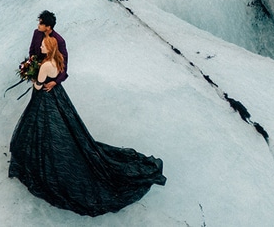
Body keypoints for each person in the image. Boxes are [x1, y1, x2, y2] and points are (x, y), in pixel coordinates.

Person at [9, 34, 166, 215]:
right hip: (57, 96)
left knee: (40, 126)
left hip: (44, 100)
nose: (41, 47)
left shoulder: (45, 65)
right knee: (62, 125)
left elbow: (37, 86)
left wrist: (30, 74)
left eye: (44, 45)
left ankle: (36, 158)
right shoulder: (57, 60)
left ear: (50, 47)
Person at [28, 10, 67, 91]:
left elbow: (63, 64)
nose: (38, 25)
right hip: (39, 74)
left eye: (41, 24)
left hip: (50, 79)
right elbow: (32, 51)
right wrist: (32, 69)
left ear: (48, 27)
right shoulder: (37, 33)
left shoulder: (59, 41)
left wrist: (56, 82)